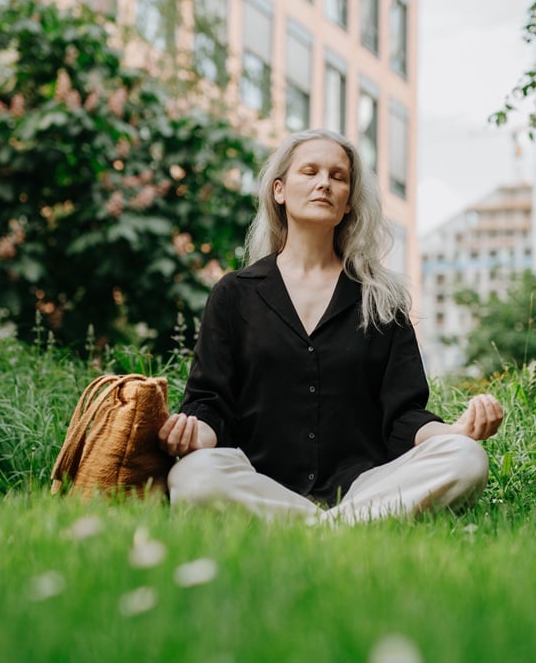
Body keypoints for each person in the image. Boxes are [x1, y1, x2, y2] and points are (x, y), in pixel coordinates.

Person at [158, 128, 503, 523]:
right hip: (258, 481)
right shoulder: (234, 294)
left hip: (365, 487)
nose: (324, 183)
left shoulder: (381, 300)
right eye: (310, 172)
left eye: (338, 177)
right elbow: (209, 402)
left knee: (467, 458)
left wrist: (456, 432)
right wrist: (193, 433)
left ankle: (307, 525)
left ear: (348, 203)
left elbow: (404, 417)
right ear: (279, 190)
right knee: (192, 475)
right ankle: (345, 526)